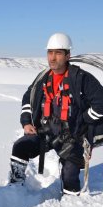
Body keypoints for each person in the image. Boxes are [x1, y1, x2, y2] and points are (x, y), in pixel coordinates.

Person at [9, 32, 103, 195]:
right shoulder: (43, 79)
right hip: (45, 132)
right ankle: (15, 191)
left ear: (68, 55)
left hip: (72, 137)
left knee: (70, 178)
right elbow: (27, 98)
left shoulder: (81, 79)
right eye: (50, 52)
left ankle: (68, 200)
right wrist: (26, 122)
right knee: (20, 147)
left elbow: (101, 103)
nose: (52, 58)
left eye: (58, 53)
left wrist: (83, 122)